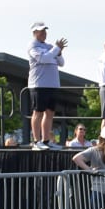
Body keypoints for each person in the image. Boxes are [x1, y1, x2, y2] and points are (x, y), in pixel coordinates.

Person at [27, 21, 67, 150]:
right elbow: (44, 58)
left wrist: (59, 52)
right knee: (38, 112)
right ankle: (36, 141)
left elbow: (61, 63)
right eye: (41, 31)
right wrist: (56, 49)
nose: (44, 33)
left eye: (45, 30)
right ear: (34, 33)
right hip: (39, 84)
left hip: (52, 84)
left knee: (50, 113)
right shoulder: (33, 46)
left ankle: (46, 140)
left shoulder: (50, 47)